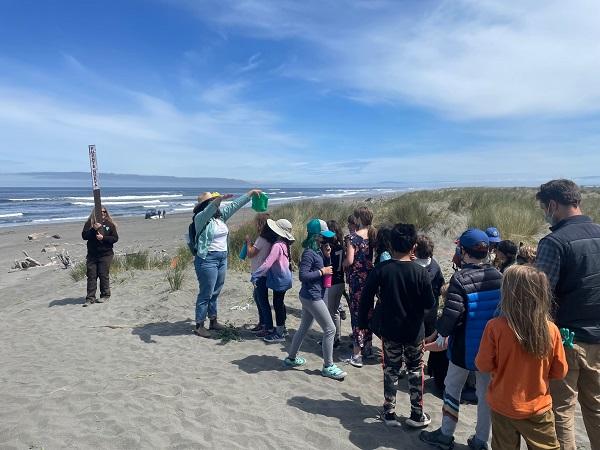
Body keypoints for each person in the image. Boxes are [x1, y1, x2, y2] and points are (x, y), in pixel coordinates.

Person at [421, 228, 503, 450]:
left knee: (452, 387)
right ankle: (480, 441)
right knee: (485, 395)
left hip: (464, 348)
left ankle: (446, 434)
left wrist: (437, 335)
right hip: (490, 348)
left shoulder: (460, 279)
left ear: (464, 252)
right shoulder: (499, 276)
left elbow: (451, 317)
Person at [534, 179, 600, 450]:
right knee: (596, 406)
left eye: (544, 208)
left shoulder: (554, 242)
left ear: (552, 205)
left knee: (561, 409)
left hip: (567, 339)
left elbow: (539, 294)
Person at [476, 265, 568, 450]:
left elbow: (483, 365)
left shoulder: (495, 327)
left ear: (508, 294)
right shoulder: (551, 329)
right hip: (538, 407)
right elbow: (560, 372)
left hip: (502, 405)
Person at [360, 224, 435, 428]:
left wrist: (363, 323)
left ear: (391, 245)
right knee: (415, 370)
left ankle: (389, 411)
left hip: (390, 330)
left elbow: (365, 298)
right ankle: (417, 414)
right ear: (413, 246)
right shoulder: (420, 273)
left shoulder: (382, 269)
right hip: (414, 331)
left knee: (391, 369)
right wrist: (428, 328)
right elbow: (430, 304)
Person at [284, 219, 347, 381]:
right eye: (323, 237)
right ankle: (328, 366)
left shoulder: (318, 251)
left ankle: (291, 358)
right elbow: (303, 276)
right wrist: (322, 271)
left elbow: (326, 270)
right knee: (330, 329)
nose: (326, 240)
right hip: (311, 296)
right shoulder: (309, 253)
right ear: (315, 237)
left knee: (304, 327)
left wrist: (326, 258)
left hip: (312, 295)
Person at [192, 189, 261, 338]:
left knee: (216, 291)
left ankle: (213, 321)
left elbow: (234, 206)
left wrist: (250, 194)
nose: (215, 204)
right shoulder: (200, 218)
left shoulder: (220, 218)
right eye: (211, 202)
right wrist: (217, 201)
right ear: (206, 205)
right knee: (206, 292)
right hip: (207, 259)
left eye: (214, 202)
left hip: (222, 258)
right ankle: (199, 325)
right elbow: (208, 210)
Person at [343, 206, 376, 368]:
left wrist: (341, 265)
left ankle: (357, 354)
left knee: (357, 315)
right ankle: (368, 348)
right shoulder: (373, 235)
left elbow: (349, 260)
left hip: (356, 280)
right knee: (368, 313)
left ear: (358, 219)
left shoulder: (352, 238)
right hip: (370, 279)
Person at [252, 219, 294, 343]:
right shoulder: (285, 243)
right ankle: (283, 328)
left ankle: (279, 333)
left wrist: (256, 275)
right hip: (286, 278)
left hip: (280, 279)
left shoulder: (277, 245)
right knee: (280, 303)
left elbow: (267, 263)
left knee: (277, 304)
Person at [82, 206, 119, 307]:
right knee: (91, 276)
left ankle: (105, 295)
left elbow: (115, 238)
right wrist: (93, 229)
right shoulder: (89, 224)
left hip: (106, 254)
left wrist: (104, 238)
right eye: (100, 212)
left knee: (103, 275)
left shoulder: (110, 225)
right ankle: (90, 298)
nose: (102, 213)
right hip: (92, 255)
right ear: (95, 212)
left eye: (104, 212)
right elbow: (84, 236)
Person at [246, 213, 272, 334]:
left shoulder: (262, 239)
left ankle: (267, 326)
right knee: (258, 298)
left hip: (260, 274)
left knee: (262, 300)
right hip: (262, 273)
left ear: (261, 224)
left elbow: (251, 253)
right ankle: (262, 323)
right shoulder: (269, 238)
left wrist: (248, 242)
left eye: (256, 223)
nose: (254, 225)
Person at [324, 220, 346, 348]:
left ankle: (335, 339)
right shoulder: (342, 246)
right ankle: (336, 337)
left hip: (333, 281)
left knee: (332, 312)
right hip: (340, 280)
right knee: (335, 310)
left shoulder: (330, 248)